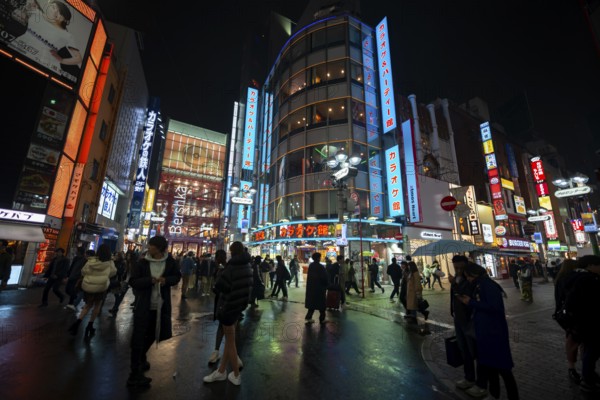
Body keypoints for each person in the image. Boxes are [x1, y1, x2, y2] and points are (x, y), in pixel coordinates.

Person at [457, 263, 519, 400]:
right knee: (490, 367)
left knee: (503, 369)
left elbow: (495, 307)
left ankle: (512, 397)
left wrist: (471, 303)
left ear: (474, 274)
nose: (467, 279)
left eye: (468, 276)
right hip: (485, 332)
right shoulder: (479, 285)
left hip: (494, 332)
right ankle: (494, 394)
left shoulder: (488, 285)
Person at [127, 236, 181, 388]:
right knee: (138, 337)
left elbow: (177, 277)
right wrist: (149, 281)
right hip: (143, 305)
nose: (148, 247)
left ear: (158, 248)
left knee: (154, 334)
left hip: (160, 306)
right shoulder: (142, 262)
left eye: (151, 245)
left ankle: (141, 358)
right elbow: (133, 281)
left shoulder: (170, 262)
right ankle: (134, 374)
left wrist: (166, 280)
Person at [203, 242, 253, 386]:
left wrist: (218, 278)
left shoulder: (231, 267)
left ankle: (236, 375)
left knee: (230, 342)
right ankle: (221, 371)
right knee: (230, 340)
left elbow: (220, 287)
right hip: (239, 306)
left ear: (232, 252)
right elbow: (249, 286)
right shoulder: (248, 266)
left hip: (228, 307)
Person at [9, 0, 82, 79]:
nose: (54, 11)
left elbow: (78, 58)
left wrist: (62, 60)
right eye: (53, 7)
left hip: (43, 62)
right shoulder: (37, 14)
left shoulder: (66, 35)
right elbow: (24, 7)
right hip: (20, 47)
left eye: (59, 12)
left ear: (63, 18)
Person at [561, 255, 600, 393]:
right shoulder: (588, 280)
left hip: (578, 322)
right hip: (589, 321)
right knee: (591, 350)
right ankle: (588, 379)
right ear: (589, 266)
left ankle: (588, 376)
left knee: (588, 349)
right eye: (597, 265)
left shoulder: (572, 278)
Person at [67, 244, 116, 339]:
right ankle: (90, 326)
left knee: (87, 306)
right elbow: (113, 273)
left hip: (89, 286)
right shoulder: (110, 263)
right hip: (101, 287)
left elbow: (83, 271)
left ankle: (77, 323)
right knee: (97, 306)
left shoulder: (91, 261)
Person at [449, 255, 481, 391]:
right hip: (459, 318)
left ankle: (480, 382)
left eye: (461, 267)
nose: (459, 270)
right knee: (464, 350)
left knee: (474, 350)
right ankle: (469, 378)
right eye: (456, 267)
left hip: (469, 320)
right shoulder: (456, 278)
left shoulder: (470, 279)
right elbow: (454, 297)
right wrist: (452, 310)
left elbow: (464, 295)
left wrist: (454, 285)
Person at [553, 259, 582, 384]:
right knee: (574, 340)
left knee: (571, 339)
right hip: (574, 314)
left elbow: (558, 298)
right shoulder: (573, 279)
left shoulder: (559, 279)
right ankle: (574, 368)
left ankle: (572, 367)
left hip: (565, 315)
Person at [304, 252, 329, 324]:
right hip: (319, 288)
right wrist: (327, 285)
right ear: (318, 258)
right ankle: (322, 319)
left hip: (311, 288)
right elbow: (324, 278)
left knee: (312, 304)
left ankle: (308, 317)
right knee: (321, 305)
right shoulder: (321, 267)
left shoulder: (311, 266)